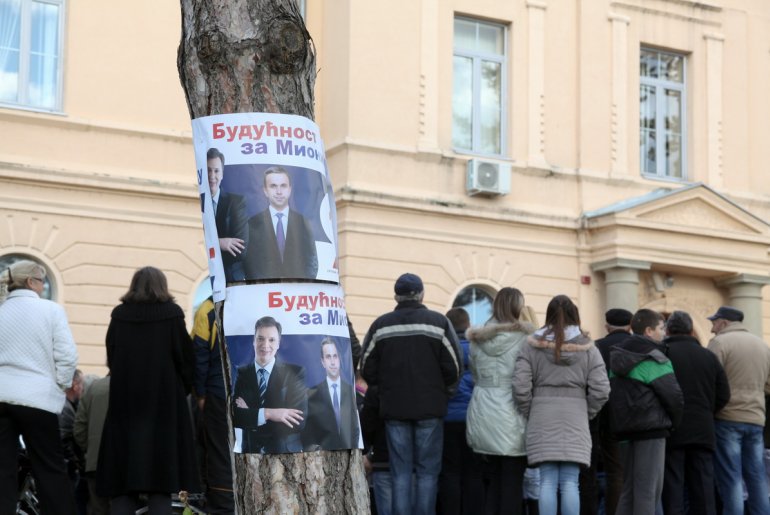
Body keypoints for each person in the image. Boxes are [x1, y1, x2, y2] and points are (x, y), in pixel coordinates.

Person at [96, 266, 200, 514]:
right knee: (161, 485)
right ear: (162, 286)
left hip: (125, 408)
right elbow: (186, 360)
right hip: (163, 410)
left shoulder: (119, 315)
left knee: (122, 483)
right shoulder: (172, 314)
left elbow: (112, 357)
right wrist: (179, 390)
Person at [360, 273, 462, 515]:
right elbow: (454, 367)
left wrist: (384, 391)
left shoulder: (381, 325)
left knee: (401, 474)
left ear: (396, 296)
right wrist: (442, 393)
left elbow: (366, 368)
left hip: (394, 409)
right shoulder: (438, 323)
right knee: (427, 474)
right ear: (422, 294)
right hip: (430, 409)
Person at [513, 295, 610, 515]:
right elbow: (602, 389)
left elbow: (520, 386)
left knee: (546, 481)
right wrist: (587, 412)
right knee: (570, 482)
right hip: (576, 416)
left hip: (541, 415)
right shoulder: (589, 349)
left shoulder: (530, 346)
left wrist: (532, 410)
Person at [0, 259, 79, 515]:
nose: (44, 286)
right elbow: (67, 356)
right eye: (42, 281)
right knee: (50, 469)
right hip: (38, 400)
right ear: (31, 282)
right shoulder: (51, 310)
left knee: (3, 470)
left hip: (2, 396)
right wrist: (59, 386)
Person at [465, 288, 534, 515]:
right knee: (513, 482)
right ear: (517, 307)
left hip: (482, 409)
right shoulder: (526, 339)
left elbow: (474, 373)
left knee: (492, 481)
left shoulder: (477, 338)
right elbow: (527, 378)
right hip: (512, 411)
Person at [608, 308, 683, 515]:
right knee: (648, 492)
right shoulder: (654, 358)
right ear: (649, 331)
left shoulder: (617, 357)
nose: (664, 332)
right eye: (661, 328)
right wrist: (673, 424)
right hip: (652, 431)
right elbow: (674, 397)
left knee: (629, 490)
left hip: (624, 431)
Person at [662, 310, 730, 515]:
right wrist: (707, 412)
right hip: (703, 429)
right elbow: (724, 394)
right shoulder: (708, 356)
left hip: (672, 429)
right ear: (691, 330)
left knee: (673, 487)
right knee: (703, 488)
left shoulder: (662, 354)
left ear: (668, 329)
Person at [707, 305, 770, 515]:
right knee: (757, 476)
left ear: (724, 322)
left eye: (714, 323)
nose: (712, 328)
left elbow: (710, 380)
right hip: (755, 419)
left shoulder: (719, 343)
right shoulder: (762, 345)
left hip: (727, 417)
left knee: (731, 477)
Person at [232, 316, 308, 453]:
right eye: (260, 338)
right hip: (250, 454)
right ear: (253, 341)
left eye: (271, 340)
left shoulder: (295, 373)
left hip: (285, 455)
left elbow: (299, 422)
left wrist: (252, 415)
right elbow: (236, 417)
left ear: (278, 343)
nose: (265, 345)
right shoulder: (242, 373)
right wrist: (271, 413)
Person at [190, 296, 234, 513]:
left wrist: (200, 395)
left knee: (218, 455)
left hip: (216, 394)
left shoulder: (207, 309)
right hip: (250, 393)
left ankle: (222, 507)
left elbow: (198, 354)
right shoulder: (249, 301)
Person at [438, 307, 483, 515]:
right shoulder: (477, 349)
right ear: (468, 325)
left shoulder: (442, 349)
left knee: (450, 473)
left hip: (447, 419)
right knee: (474, 473)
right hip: (473, 419)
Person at [588, 308, 633, 515]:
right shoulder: (639, 346)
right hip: (635, 416)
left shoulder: (597, 347)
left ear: (607, 326)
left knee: (612, 472)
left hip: (603, 416)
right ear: (630, 325)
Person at [243, 166, 318, 280]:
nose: (279, 192)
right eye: (273, 186)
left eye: (283, 186)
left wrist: (303, 284)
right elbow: (248, 262)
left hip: (296, 293)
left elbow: (312, 261)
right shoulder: (252, 224)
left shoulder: (303, 222)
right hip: (263, 292)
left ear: (289, 189)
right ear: (265, 191)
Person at [302, 337, 361, 450]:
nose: (333, 362)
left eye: (335, 356)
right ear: (323, 362)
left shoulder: (350, 391)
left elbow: (355, 428)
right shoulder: (312, 394)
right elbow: (308, 434)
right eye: (328, 357)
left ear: (340, 359)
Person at [207, 147, 248, 282]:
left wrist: (209, 245)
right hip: (203, 280)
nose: (212, 176)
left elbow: (240, 250)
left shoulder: (236, 202)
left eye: (216, 171)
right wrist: (219, 243)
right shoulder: (194, 202)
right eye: (208, 170)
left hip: (230, 281)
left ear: (222, 174)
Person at [74, 373, 111, 515]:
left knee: (98, 509)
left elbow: (79, 429)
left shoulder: (93, 388)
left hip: (95, 462)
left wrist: (90, 449)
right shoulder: (134, 386)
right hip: (125, 465)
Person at [59, 369, 84, 505]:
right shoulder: (66, 408)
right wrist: (76, 462)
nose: (83, 389)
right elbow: (64, 440)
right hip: (66, 469)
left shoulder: (66, 405)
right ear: (75, 385)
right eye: (82, 385)